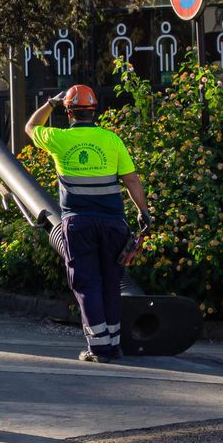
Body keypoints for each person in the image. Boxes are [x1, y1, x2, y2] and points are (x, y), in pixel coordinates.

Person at [25, 84, 150, 363]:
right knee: (111, 283)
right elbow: (131, 180)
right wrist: (143, 211)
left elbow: (30, 127)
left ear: (69, 112)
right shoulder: (111, 140)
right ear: (94, 111)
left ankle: (99, 348)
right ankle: (113, 345)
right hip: (113, 223)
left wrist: (50, 103)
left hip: (78, 224)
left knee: (87, 284)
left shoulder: (58, 139)